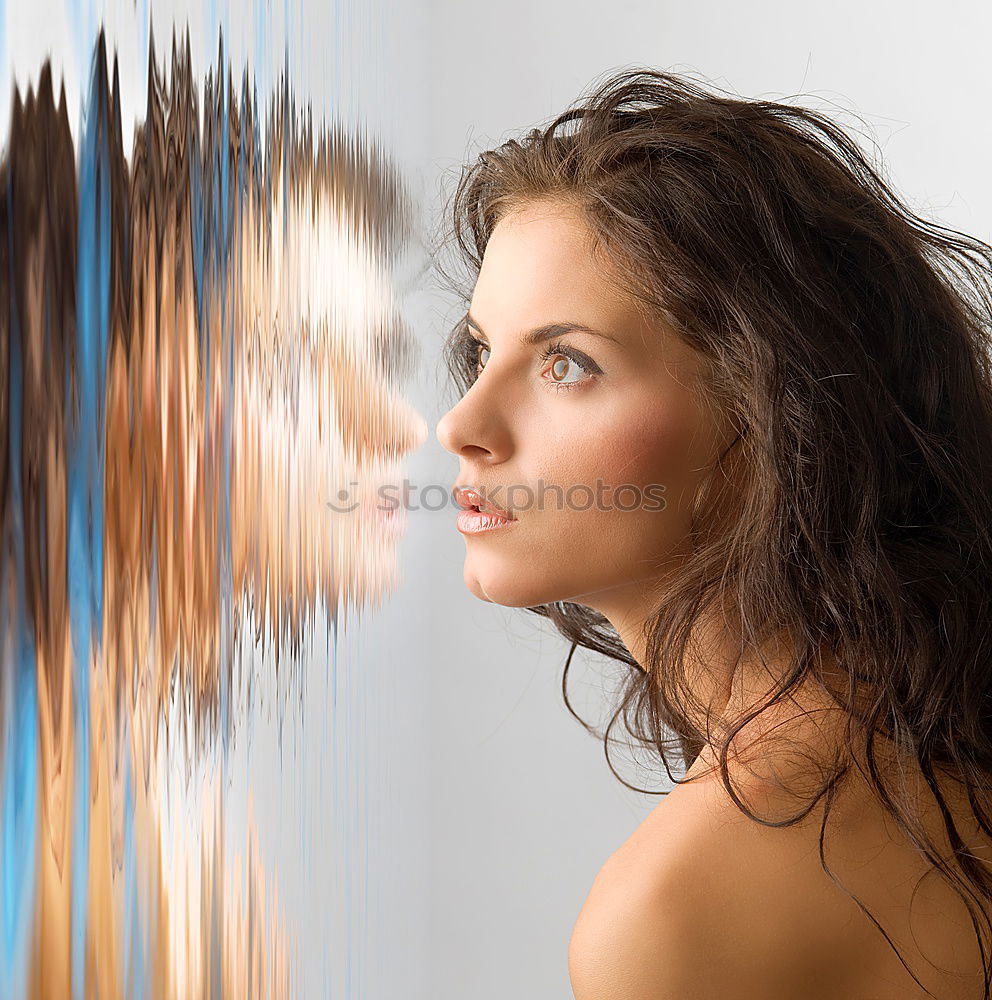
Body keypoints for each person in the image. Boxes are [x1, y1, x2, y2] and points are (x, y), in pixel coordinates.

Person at [434, 68, 992, 999]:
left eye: (567, 363)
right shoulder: (920, 736)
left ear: (777, 418)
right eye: (485, 351)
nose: (461, 424)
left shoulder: (676, 910)